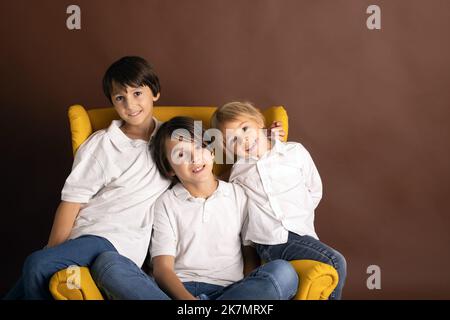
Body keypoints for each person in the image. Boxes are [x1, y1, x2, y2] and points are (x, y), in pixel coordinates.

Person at [4, 56, 171, 299]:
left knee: (37, 265)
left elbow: (205, 159)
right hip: (90, 236)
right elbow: (72, 202)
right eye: (120, 97)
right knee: (39, 264)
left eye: (137, 93)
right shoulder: (102, 144)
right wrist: (52, 252)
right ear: (113, 102)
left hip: (122, 246)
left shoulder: (171, 138)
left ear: (155, 92)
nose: (130, 104)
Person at [89, 116, 299, 300]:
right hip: (175, 293)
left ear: (211, 151)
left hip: (231, 291)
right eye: (181, 155)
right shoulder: (166, 203)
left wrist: (269, 137)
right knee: (107, 263)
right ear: (169, 169)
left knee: (284, 272)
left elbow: (249, 255)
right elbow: (163, 269)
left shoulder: (239, 194)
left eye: (199, 147)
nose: (195, 158)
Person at [210, 101, 347, 300]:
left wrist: (296, 216)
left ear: (259, 122)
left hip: (301, 234)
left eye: (245, 129)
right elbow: (237, 211)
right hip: (270, 241)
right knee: (335, 261)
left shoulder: (294, 152)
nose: (244, 141)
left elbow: (314, 190)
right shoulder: (238, 174)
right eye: (233, 141)